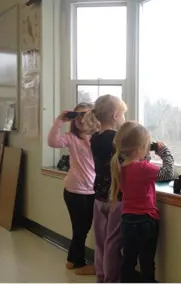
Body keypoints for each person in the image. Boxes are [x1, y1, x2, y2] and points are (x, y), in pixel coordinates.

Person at [110, 121, 174, 283]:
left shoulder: (120, 167)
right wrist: (164, 152)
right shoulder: (144, 168)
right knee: (146, 262)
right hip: (146, 220)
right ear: (139, 149)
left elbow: (138, 170)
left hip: (127, 221)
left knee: (128, 260)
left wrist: (144, 155)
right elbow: (167, 173)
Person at [47, 102, 98, 275]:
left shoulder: (98, 138)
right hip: (75, 190)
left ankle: (71, 259)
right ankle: (78, 263)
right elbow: (53, 142)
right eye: (78, 117)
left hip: (92, 190)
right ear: (73, 120)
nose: (82, 120)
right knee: (81, 228)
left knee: (82, 228)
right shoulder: (71, 138)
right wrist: (59, 121)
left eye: (86, 116)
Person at [82, 95, 128, 282]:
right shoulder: (117, 139)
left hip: (99, 196)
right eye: (124, 114)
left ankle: (101, 277)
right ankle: (111, 280)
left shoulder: (95, 138)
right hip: (116, 197)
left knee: (101, 241)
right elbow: (126, 162)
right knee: (113, 243)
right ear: (116, 115)